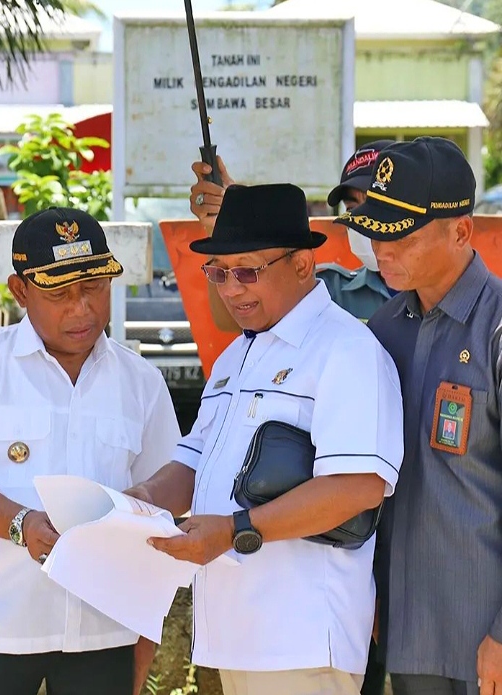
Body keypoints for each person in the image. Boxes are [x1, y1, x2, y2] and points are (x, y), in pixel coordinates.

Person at [126, 183, 404, 695]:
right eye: (219, 273)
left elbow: (358, 486)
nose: (231, 289)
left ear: (302, 265)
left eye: (247, 271)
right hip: (238, 631)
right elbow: (194, 461)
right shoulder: (238, 355)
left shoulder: (345, 350)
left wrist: (234, 530)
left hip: (301, 637)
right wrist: (137, 502)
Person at [0, 207, 181, 695]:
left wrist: (143, 644)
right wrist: (22, 525)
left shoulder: (141, 382)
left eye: (94, 288)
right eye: (59, 293)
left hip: (105, 634)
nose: (82, 308)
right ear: (20, 291)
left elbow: (164, 504)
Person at [336, 136, 502, 695]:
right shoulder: (383, 330)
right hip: (407, 635)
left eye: (400, 234)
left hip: (485, 639)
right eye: (375, 228)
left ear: (461, 231)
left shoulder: (497, 331)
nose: (381, 249)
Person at [189, 142, 395, 323]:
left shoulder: (426, 294)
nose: (364, 219)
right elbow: (239, 317)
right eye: (352, 209)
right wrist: (228, 227)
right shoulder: (333, 289)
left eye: (376, 204)